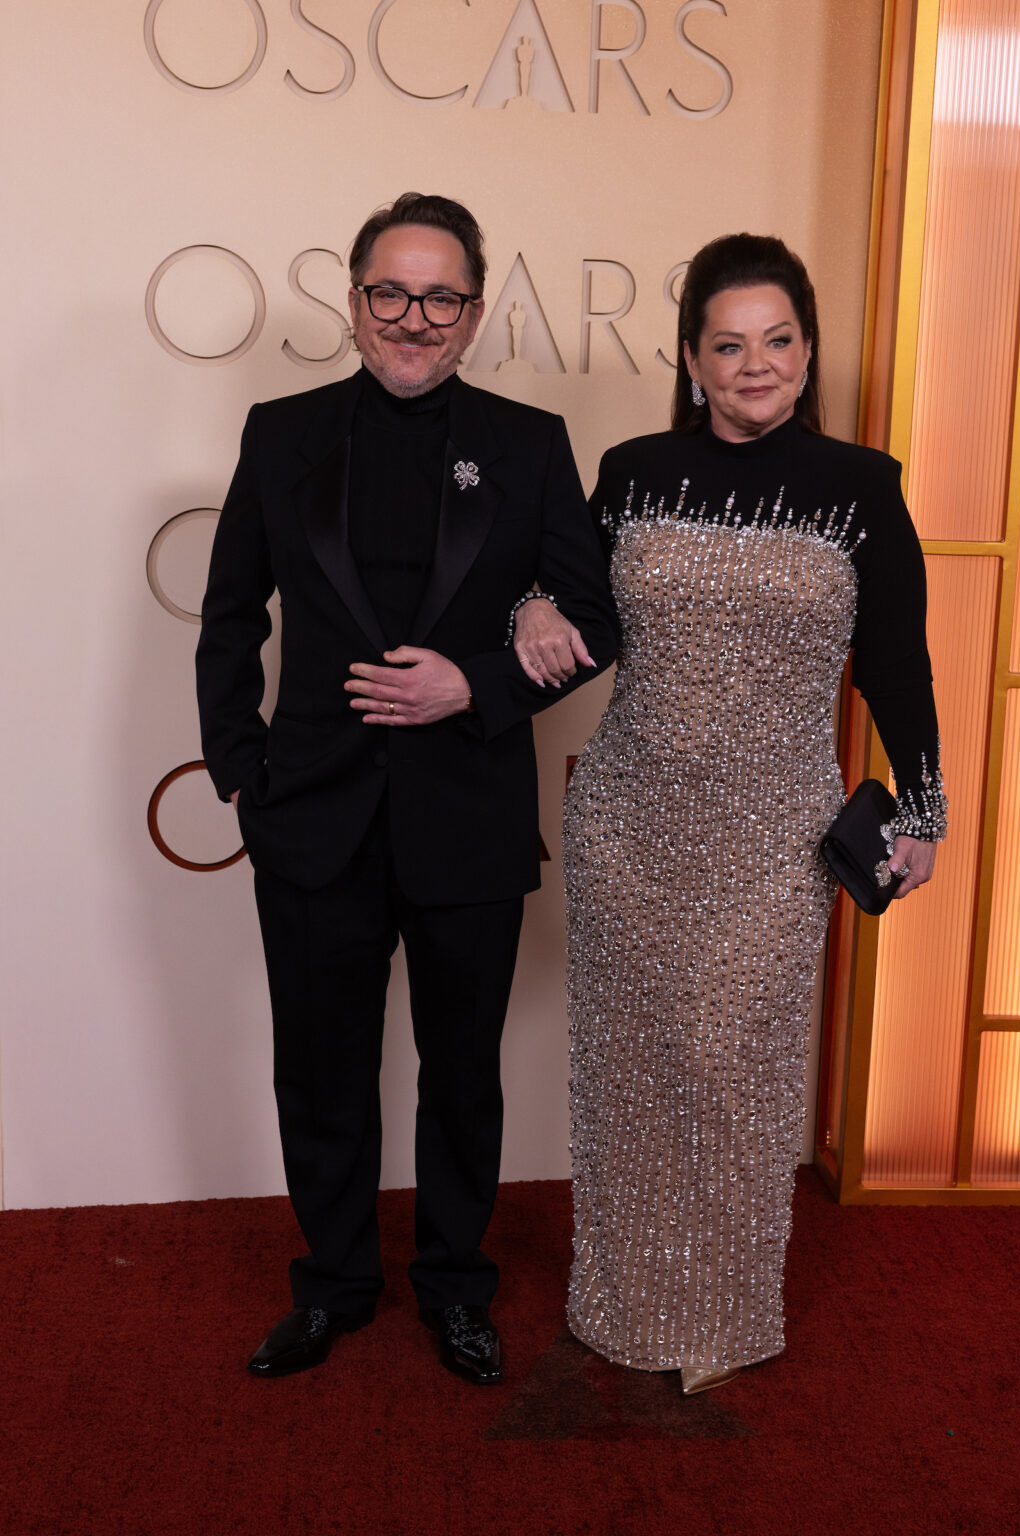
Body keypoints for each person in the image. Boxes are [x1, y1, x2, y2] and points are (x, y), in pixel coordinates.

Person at [511, 234, 947, 1394]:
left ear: (805, 353)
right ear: (692, 360)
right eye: (727, 344)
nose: (755, 365)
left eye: (779, 341)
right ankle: (620, 1304)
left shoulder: (862, 485)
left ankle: (722, 1312)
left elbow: (893, 668)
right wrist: (528, 608)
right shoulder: (634, 468)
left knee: (731, 1069)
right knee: (630, 1071)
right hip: (628, 826)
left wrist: (926, 810)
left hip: (773, 840)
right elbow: (583, 625)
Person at [196, 193, 616, 1384]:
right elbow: (230, 617)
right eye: (391, 292)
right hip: (311, 814)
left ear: (473, 313)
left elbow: (591, 618)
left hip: (468, 815)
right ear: (354, 300)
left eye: (440, 297)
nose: (413, 318)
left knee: (462, 1073)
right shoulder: (279, 434)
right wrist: (242, 772)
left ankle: (453, 1286)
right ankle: (332, 1286)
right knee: (318, 1070)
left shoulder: (530, 444)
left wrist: (473, 685)